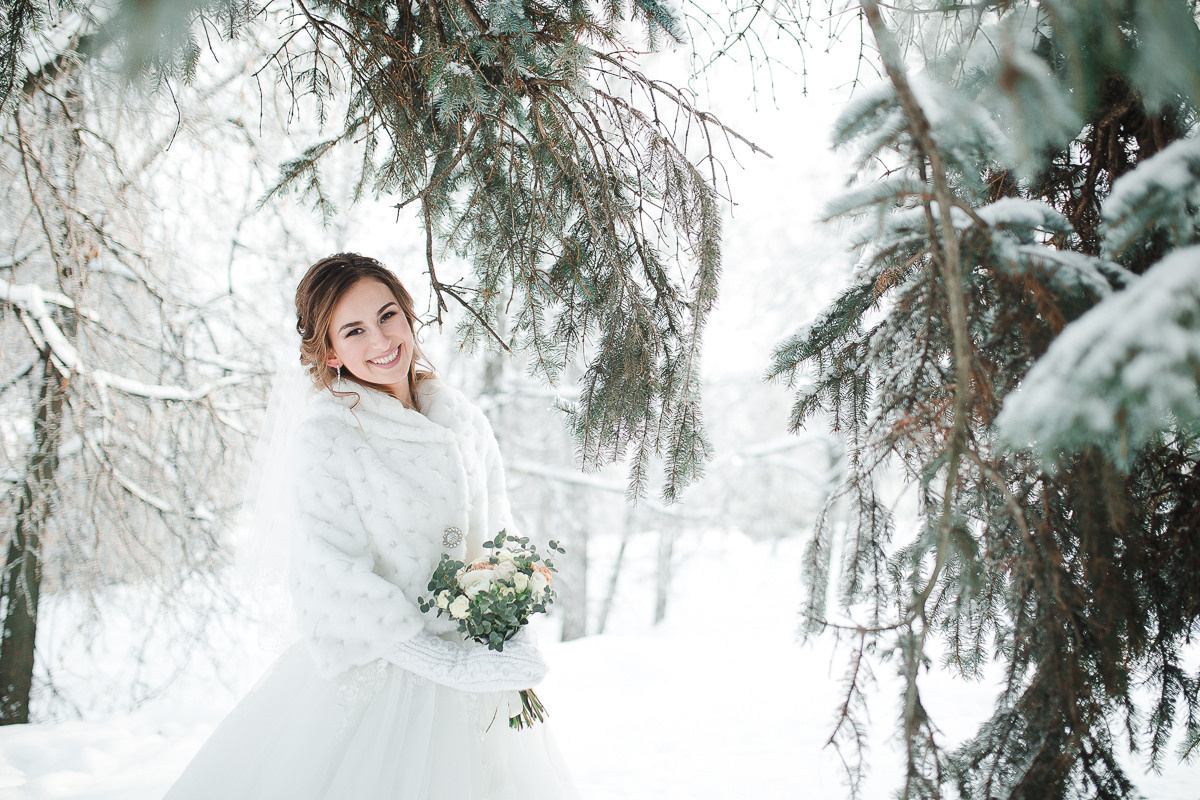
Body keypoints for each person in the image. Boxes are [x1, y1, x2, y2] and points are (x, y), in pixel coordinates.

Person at [164, 253, 578, 800]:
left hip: (481, 680)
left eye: (388, 315)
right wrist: (446, 664)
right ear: (330, 351)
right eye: (354, 329)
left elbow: (500, 533)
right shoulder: (328, 436)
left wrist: (511, 628)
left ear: (409, 316)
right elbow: (330, 576)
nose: (381, 339)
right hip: (386, 679)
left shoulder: (461, 419)